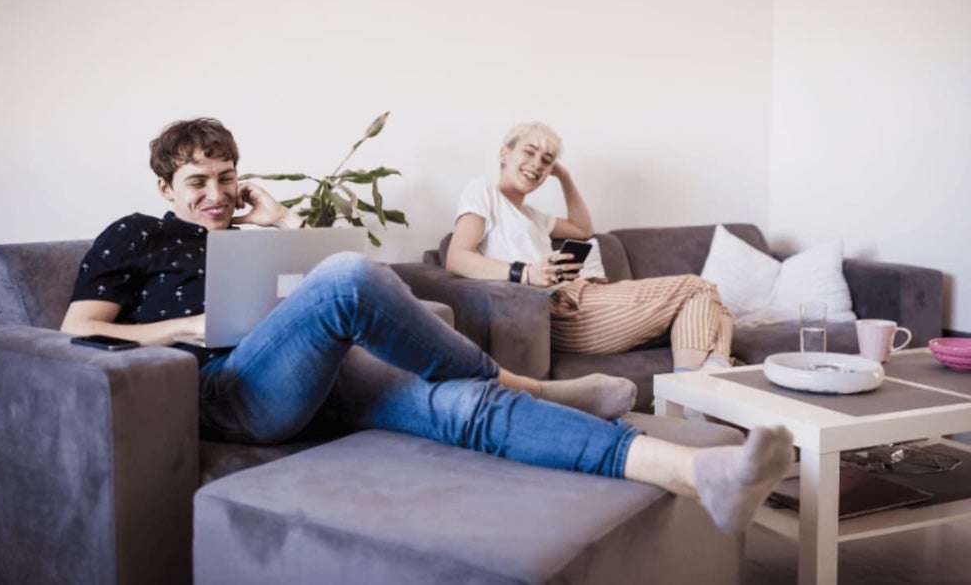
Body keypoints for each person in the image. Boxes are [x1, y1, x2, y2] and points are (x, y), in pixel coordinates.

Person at [61, 117, 792, 535]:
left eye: (228, 177)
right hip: (227, 388)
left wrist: (280, 221)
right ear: (165, 187)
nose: (218, 194)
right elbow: (77, 330)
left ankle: (697, 473)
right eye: (199, 182)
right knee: (349, 276)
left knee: (462, 404)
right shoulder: (134, 234)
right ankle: (528, 381)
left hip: (318, 375)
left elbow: (306, 298)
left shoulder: (253, 230)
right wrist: (192, 322)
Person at [446, 121, 735, 372]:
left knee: (716, 309)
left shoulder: (534, 216)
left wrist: (564, 176)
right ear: (504, 154)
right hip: (562, 309)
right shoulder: (483, 191)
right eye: (529, 152)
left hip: (587, 296)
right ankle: (694, 391)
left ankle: (702, 386)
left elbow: (583, 228)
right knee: (699, 288)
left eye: (547, 160)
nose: (537, 164)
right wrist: (525, 273)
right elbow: (457, 258)